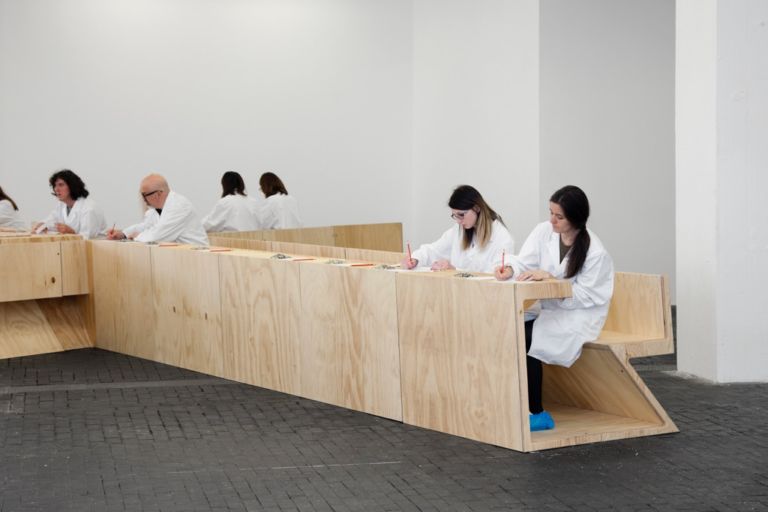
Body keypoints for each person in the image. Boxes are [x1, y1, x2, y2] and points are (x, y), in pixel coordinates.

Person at [495, 185, 614, 432]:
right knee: (513, 330)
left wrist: (551, 281)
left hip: (580, 315)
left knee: (527, 339)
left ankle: (537, 413)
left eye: (559, 216)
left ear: (576, 219)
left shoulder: (595, 252)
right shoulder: (544, 231)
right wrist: (510, 269)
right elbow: (524, 262)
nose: (552, 220)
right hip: (551, 310)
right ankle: (515, 405)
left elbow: (587, 296)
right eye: (551, 213)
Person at [401, 185, 514, 273]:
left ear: (477, 208)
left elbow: (494, 278)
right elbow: (434, 250)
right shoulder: (459, 230)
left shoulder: (502, 238)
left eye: (461, 215)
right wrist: (415, 259)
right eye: (455, 215)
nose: (458, 221)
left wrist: (455, 271)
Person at [107, 174, 209, 246]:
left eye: (144, 195)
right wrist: (123, 234)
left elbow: (158, 235)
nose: (143, 199)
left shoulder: (179, 206)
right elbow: (146, 226)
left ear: (158, 194)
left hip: (198, 256)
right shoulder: (155, 210)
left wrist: (136, 237)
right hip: (181, 256)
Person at [31, 170, 107, 239]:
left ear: (72, 186)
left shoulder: (88, 209)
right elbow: (51, 220)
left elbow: (88, 239)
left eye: (61, 185)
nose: (56, 189)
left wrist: (72, 233)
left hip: (96, 248)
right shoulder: (61, 206)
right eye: (55, 185)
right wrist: (42, 225)